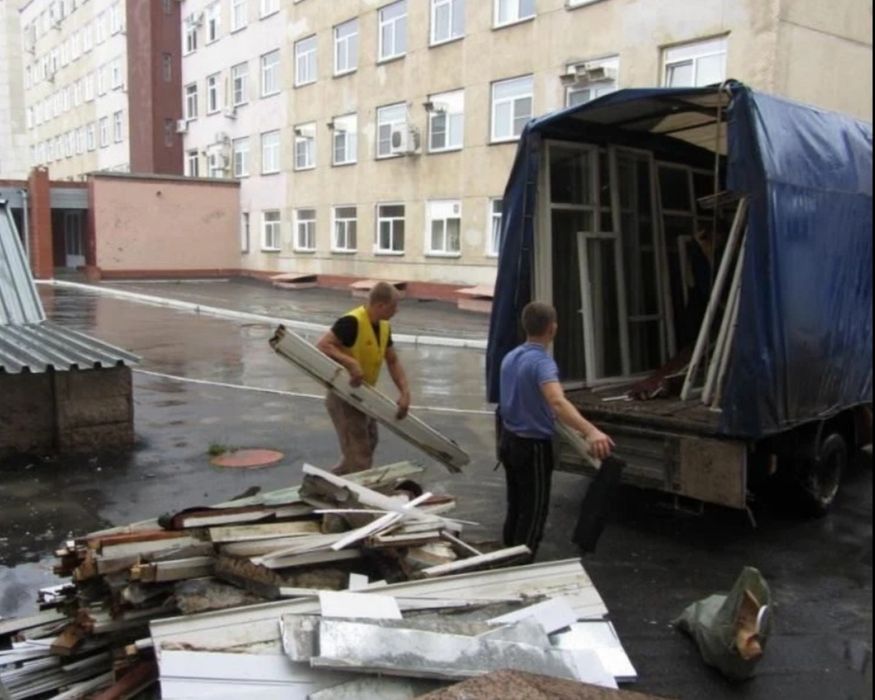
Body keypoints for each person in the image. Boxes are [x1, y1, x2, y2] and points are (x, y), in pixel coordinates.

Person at [498, 301, 614, 559]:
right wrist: (591, 431)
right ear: (553, 329)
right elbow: (557, 401)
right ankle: (519, 565)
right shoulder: (542, 363)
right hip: (532, 448)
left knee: (516, 504)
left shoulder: (511, 357)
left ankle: (506, 555)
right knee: (534, 510)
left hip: (508, 441)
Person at [316, 282, 411, 475]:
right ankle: (350, 499)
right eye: (394, 307)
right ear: (380, 306)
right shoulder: (351, 322)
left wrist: (405, 392)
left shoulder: (383, 326)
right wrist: (350, 363)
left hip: (363, 395)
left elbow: (392, 360)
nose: (397, 311)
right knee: (359, 454)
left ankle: (328, 483)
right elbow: (323, 345)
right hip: (344, 397)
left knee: (368, 443)